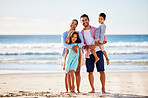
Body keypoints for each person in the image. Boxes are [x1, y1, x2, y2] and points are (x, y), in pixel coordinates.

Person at [80, 14, 107, 94]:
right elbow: (82, 44)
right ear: (81, 22)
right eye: (83, 20)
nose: (84, 21)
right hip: (88, 54)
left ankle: (103, 89)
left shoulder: (95, 29)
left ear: (89, 20)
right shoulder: (81, 32)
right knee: (90, 72)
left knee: (101, 71)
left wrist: (95, 45)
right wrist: (88, 46)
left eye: (86, 20)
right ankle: (92, 89)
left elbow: (104, 40)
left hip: (98, 52)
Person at [61, 19, 84, 93]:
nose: (73, 25)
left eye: (75, 24)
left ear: (76, 25)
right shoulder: (65, 33)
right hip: (68, 56)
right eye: (72, 23)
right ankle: (68, 89)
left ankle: (76, 89)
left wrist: (76, 47)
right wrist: (72, 47)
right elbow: (64, 45)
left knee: (77, 72)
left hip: (76, 56)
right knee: (67, 73)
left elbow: (81, 43)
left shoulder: (78, 33)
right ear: (69, 23)